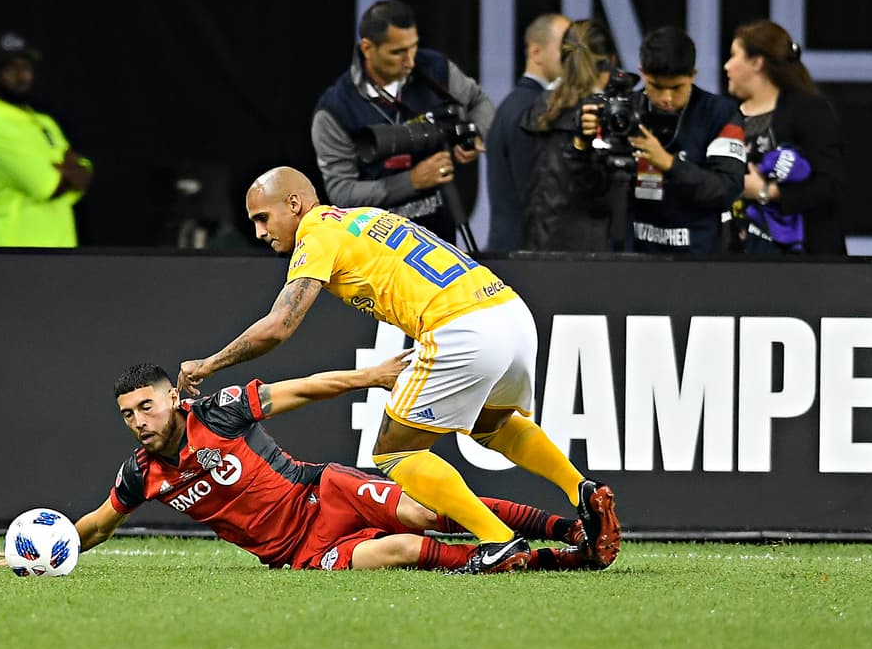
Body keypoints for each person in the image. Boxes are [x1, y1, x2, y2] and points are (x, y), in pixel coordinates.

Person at [175, 166, 621, 573]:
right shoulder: (363, 217)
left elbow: (279, 325)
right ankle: (583, 491)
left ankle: (498, 541)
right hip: (509, 310)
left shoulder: (316, 232)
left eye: (262, 218)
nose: (258, 232)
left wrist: (209, 364)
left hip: (461, 325)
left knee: (393, 453)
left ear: (294, 204)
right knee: (494, 425)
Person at [0, 361, 593, 574]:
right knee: (401, 551)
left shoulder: (220, 411)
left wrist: (370, 377)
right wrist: (41, 553)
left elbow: (302, 389)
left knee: (423, 515)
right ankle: (552, 560)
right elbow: (98, 524)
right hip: (298, 551)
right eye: (127, 415)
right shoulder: (140, 473)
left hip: (323, 493)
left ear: (172, 398)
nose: (138, 421)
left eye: (146, 407)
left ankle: (569, 528)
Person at [310, 0, 493, 244]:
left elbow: (479, 101)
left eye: (413, 47)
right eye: (397, 52)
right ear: (367, 48)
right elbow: (342, 193)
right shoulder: (335, 110)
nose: (410, 61)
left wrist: (475, 132)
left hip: (439, 238)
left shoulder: (435, 69)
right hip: (376, 246)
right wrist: (411, 181)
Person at [574, 25, 746, 253]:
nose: (666, 98)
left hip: (699, 257)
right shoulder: (621, 115)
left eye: (677, 87)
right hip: (633, 254)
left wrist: (669, 164)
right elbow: (590, 193)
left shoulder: (720, 114)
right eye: (656, 86)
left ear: (693, 74)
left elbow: (727, 189)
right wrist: (582, 146)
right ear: (642, 72)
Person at [722, 20, 846, 255]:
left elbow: (830, 183)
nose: (726, 66)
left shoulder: (808, 111)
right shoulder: (726, 117)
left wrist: (765, 191)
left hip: (802, 260)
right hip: (739, 257)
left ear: (757, 63)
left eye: (733, 55)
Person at [0, 32, 94, 247]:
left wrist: (71, 171)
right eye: (11, 69)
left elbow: (84, 173)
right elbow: (47, 186)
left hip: (58, 250)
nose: (23, 76)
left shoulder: (45, 122)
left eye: (26, 67)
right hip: (12, 252)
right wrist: (68, 172)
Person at [519, 19, 619, 251]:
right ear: (610, 63)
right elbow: (602, 194)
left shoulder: (539, 109)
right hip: (587, 255)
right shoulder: (601, 118)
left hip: (536, 247)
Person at [486, 12, 570, 251]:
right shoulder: (531, 111)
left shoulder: (517, 104)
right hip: (524, 254)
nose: (572, 57)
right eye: (564, 47)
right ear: (535, 52)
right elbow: (535, 194)